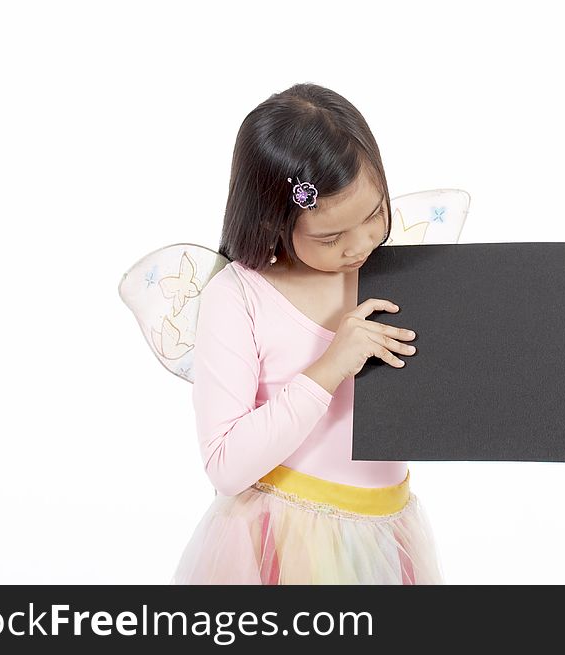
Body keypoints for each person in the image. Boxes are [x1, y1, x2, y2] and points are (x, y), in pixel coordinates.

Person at [170, 83, 445, 584]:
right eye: (330, 237)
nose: (360, 245)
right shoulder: (240, 296)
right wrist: (329, 368)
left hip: (386, 534)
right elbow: (226, 466)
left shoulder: (400, 275)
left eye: (374, 214)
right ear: (273, 221)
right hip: (284, 541)